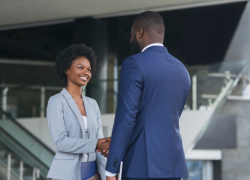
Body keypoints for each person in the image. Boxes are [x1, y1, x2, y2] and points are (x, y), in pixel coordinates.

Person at [105, 11, 191, 180]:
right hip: (174, 166)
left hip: (142, 165)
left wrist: (111, 169)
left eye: (132, 35)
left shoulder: (134, 64)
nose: (132, 40)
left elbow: (127, 118)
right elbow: (164, 117)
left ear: (139, 32)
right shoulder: (182, 70)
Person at [46, 44, 110, 180]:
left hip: (93, 172)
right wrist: (96, 144)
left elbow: (99, 143)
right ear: (67, 70)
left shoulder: (92, 104)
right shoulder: (57, 101)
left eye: (89, 69)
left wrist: (108, 175)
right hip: (66, 173)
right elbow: (61, 142)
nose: (86, 73)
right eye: (80, 67)